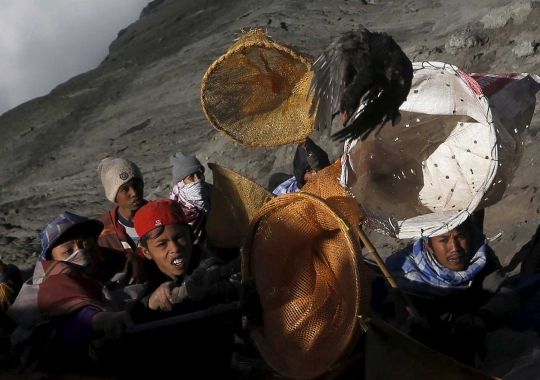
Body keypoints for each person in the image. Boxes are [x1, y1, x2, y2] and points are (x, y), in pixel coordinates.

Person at [7, 212, 144, 376]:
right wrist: (99, 319)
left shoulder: (124, 266)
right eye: (67, 251)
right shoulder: (45, 286)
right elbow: (63, 329)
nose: (81, 252)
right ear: (51, 258)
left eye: (86, 244)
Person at [122, 199, 241, 379]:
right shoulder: (140, 278)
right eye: (162, 244)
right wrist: (151, 303)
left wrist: (184, 290)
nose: (175, 248)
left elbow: (223, 284)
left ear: (191, 237)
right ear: (146, 252)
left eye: (180, 237)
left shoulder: (208, 263)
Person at [382, 219, 520, 366]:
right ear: (428, 245)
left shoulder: (479, 255)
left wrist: (481, 319)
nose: (455, 248)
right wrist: (414, 327)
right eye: (444, 240)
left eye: (460, 237)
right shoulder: (405, 273)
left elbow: (506, 296)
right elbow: (396, 321)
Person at [96, 157, 147, 283]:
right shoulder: (100, 230)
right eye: (125, 189)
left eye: (136, 184)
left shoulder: (161, 216)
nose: (134, 192)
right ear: (114, 196)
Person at [169, 152, 212, 245]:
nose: (197, 180)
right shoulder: (173, 212)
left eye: (199, 174)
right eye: (191, 177)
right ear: (181, 183)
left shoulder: (215, 195)